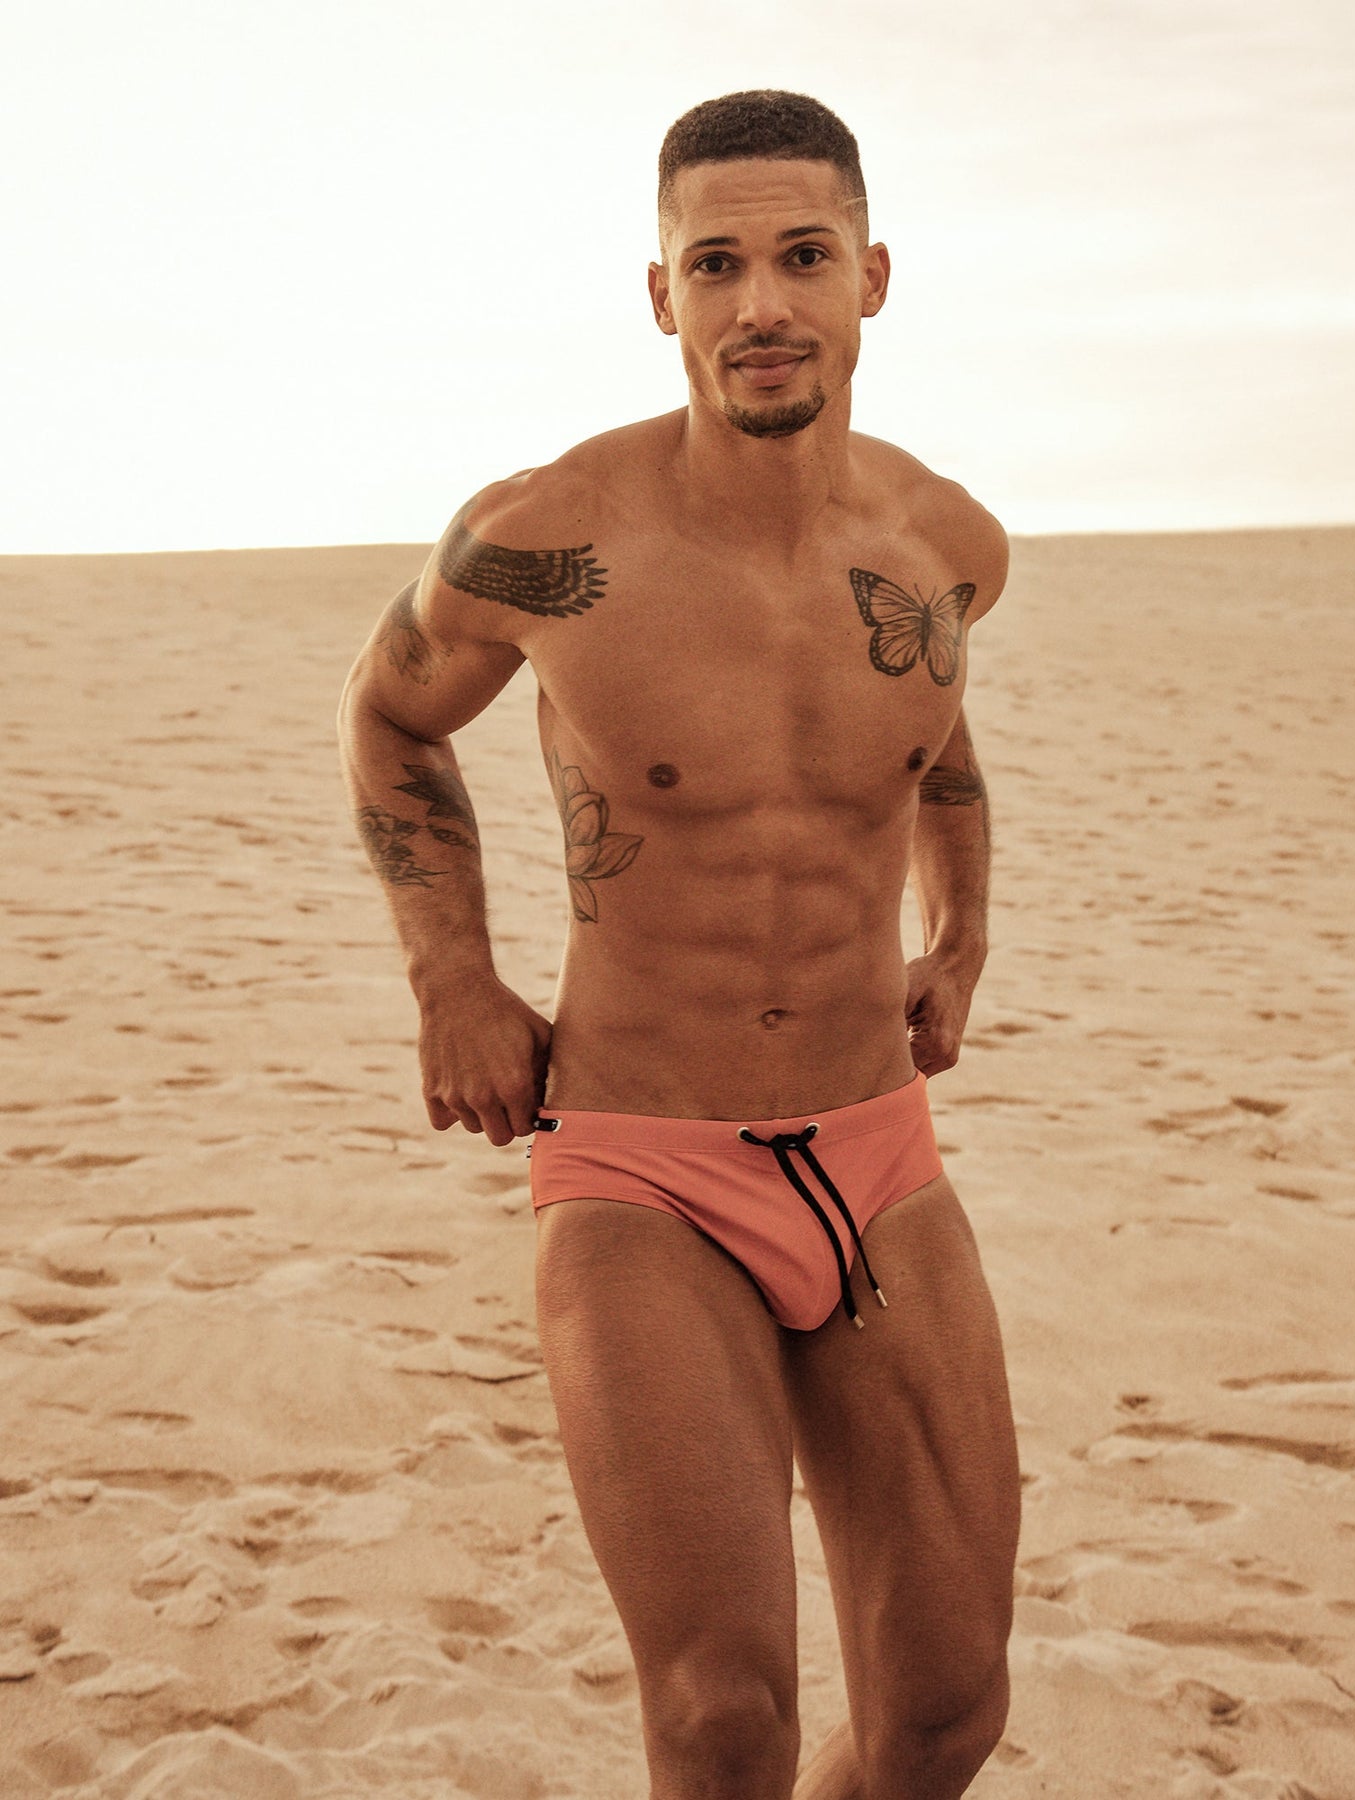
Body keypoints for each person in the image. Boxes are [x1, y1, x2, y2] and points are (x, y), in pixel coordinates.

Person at [339, 88, 1020, 1800]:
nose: (761, 303)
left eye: (800, 258)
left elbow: (934, 752)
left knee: (946, 1713)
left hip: (877, 1154)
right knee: (723, 1722)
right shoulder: (549, 538)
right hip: (644, 1165)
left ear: (871, 277)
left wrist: (963, 939)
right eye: (714, 264)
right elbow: (389, 720)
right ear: (664, 298)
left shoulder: (943, 546)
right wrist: (454, 980)